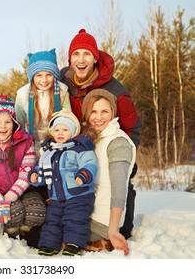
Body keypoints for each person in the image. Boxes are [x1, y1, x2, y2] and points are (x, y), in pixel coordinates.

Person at [60, 29, 141, 239]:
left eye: (86, 54)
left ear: (95, 58)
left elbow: (133, 127)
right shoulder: (63, 83)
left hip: (110, 145)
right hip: (80, 145)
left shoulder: (115, 91)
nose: (81, 59)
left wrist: (125, 158)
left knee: (117, 180)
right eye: (76, 54)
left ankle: (120, 224)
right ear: (70, 59)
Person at [0, 94, 46, 242]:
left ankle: (29, 236)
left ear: (14, 123)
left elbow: (26, 174)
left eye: (8, 121)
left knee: (36, 211)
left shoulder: (25, 142)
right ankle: (11, 236)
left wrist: (9, 198)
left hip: (24, 190)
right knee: (14, 213)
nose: (3, 126)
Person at [28, 109, 98, 256]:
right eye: (57, 130)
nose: (60, 133)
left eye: (65, 129)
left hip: (78, 195)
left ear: (73, 132)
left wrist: (84, 174)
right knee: (52, 220)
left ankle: (73, 244)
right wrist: (34, 175)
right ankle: (48, 244)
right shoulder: (48, 152)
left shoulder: (80, 149)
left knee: (75, 219)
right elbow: (41, 170)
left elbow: (89, 164)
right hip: (56, 197)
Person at [81, 89, 136, 255]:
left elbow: (118, 189)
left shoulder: (117, 142)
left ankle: (104, 240)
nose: (98, 117)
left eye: (104, 111)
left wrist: (113, 229)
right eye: (93, 112)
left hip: (102, 220)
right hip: (86, 211)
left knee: (55, 234)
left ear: (113, 113)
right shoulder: (92, 138)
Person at [15, 48, 71, 154]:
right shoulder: (23, 95)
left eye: (49, 75)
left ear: (54, 75)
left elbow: (68, 119)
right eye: (39, 75)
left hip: (57, 143)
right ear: (32, 77)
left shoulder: (62, 91)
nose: (44, 80)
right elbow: (19, 124)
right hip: (30, 145)